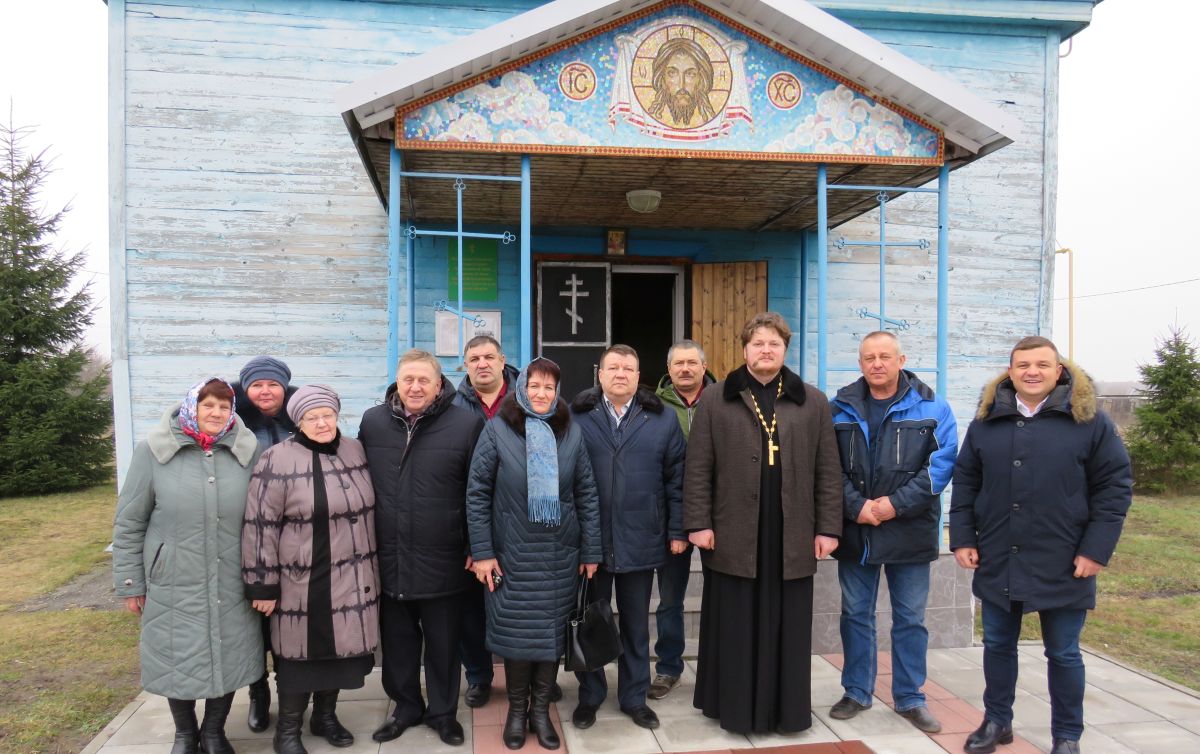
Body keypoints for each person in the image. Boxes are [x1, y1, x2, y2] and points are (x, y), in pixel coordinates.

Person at [951, 336, 1132, 754]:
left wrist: (1095, 550)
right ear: (1010, 371)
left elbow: (1114, 488)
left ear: (1059, 371)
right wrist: (962, 537)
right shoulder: (987, 421)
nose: (1032, 372)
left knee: (1064, 653)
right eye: (1023, 365)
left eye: (1042, 365)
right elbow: (966, 483)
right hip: (999, 555)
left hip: (1066, 558)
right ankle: (997, 721)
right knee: (997, 645)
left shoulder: (1090, 422)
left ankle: (1067, 736)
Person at [683, 312, 842, 734]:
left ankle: (785, 711)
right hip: (733, 531)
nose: (765, 350)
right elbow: (697, 467)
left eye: (774, 344)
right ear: (745, 349)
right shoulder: (717, 398)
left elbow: (828, 470)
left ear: (785, 349)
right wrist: (698, 522)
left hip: (791, 532)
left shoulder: (812, 400)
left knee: (786, 625)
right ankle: (733, 707)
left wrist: (828, 528)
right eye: (758, 343)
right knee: (735, 623)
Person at [113, 378, 263, 754]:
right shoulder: (154, 451)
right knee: (175, 653)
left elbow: (264, 517)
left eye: (224, 407)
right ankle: (184, 734)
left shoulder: (247, 451)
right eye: (207, 405)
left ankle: (214, 732)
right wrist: (131, 582)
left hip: (232, 574)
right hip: (172, 577)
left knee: (229, 652)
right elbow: (130, 521)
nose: (216, 413)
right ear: (191, 407)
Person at [466, 358, 602, 750]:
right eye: (535, 386)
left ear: (557, 392)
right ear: (522, 387)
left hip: (561, 554)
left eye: (548, 387)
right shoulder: (498, 430)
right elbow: (476, 495)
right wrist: (483, 552)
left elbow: (587, 494)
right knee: (518, 638)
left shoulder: (571, 433)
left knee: (550, 639)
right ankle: (515, 711)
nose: (541, 394)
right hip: (512, 555)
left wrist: (591, 549)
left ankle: (540, 712)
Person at [828, 331, 958, 733]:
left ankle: (909, 697)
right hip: (859, 532)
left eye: (885, 356)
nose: (877, 364)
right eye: (869, 357)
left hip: (910, 532)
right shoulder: (839, 409)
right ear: (860, 362)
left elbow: (941, 466)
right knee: (855, 616)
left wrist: (892, 505)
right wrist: (858, 507)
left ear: (901, 360)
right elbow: (826, 468)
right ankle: (856, 691)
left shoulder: (934, 408)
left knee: (909, 619)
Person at [242, 385, 379, 754]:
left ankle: (325, 716)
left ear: (337, 415)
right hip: (301, 579)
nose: (321, 423)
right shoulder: (276, 459)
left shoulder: (354, 449)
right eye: (311, 417)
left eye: (327, 415)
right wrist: (261, 585)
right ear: (298, 422)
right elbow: (260, 526)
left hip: (350, 575)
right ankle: (287, 730)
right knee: (299, 656)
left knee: (339, 654)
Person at [359, 349, 485, 746]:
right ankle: (406, 706)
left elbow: (478, 491)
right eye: (407, 380)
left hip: (443, 555)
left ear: (438, 384)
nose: (414, 387)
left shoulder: (466, 424)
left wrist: (474, 545)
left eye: (423, 381)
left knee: (445, 642)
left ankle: (444, 713)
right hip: (389, 553)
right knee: (397, 641)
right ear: (397, 382)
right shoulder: (374, 422)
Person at [569, 344, 687, 730]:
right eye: (613, 368)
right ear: (599, 374)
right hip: (591, 543)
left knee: (636, 624)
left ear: (639, 377)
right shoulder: (576, 416)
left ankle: (634, 697)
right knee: (592, 622)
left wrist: (676, 531)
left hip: (643, 538)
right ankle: (590, 695)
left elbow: (676, 480)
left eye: (629, 369)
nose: (621, 374)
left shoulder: (663, 419)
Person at [451, 334, 520, 708]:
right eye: (474, 358)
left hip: (519, 526)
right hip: (468, 522)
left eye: (488, 356)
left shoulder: (528, 398)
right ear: (465, 365)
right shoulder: (453, 405)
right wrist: (471, 543)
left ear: (502, 359)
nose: (482, 363)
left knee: (519, 606)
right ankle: (478, 676)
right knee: (470, 612)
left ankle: (524, 673)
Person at [232, 355, 298, 733]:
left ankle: (288, 689)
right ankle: (258, 693)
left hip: (292, 539)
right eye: (257, 385)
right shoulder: (235, 426)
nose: (265, 391)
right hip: (248, 535)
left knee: (288, 624)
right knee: (255, 625)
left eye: (272, 384)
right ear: (245, 389)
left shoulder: (298, 422)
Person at [650, 339, 715, 700]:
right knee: (670, 599)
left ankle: (717, 665)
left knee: (720, 597)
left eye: (692, 363)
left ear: (704, 367)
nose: (686, 369)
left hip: (715, 518)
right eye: (679, 364)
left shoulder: (724, 400)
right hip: (670, 519)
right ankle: (668, 668)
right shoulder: (654, 406)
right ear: (669, 368)